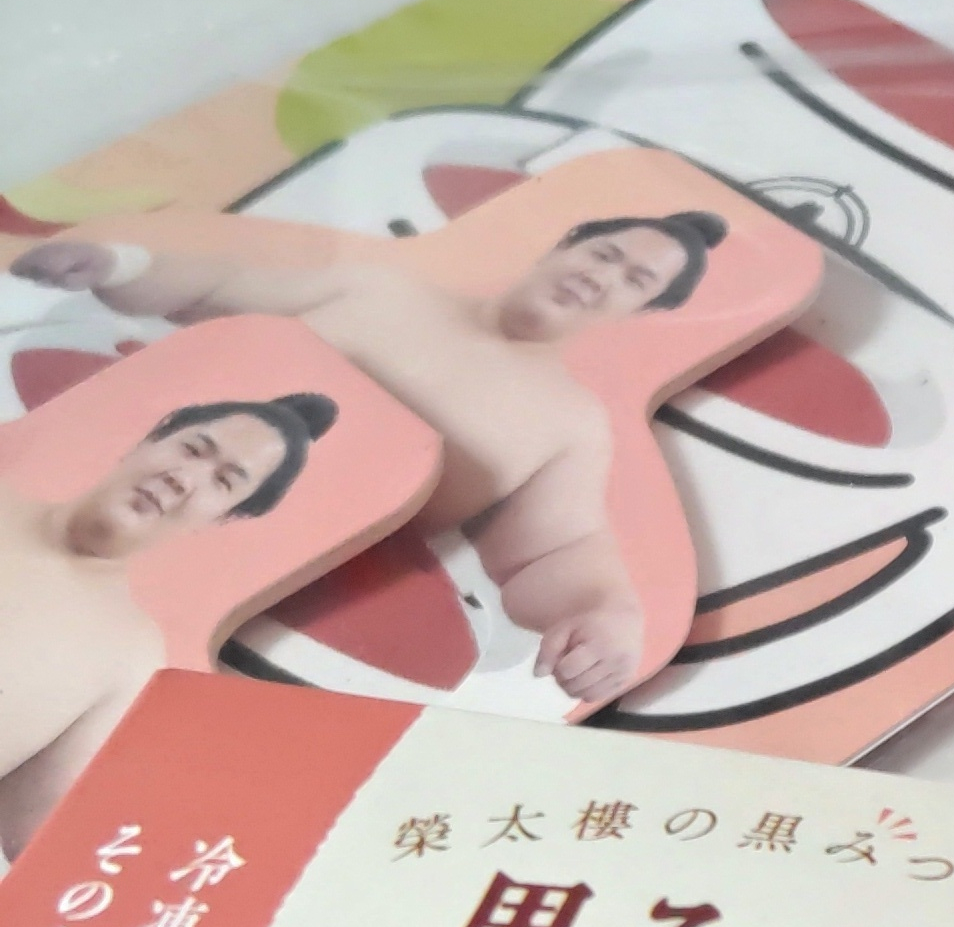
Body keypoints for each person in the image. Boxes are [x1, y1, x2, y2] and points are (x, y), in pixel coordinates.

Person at [8, 209, 728, 711]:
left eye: (635, 280)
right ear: (567, 242)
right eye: (604, 254)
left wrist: (603, 615)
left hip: (258, 619)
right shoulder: (380, 287)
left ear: (645, 311)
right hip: (81, 500)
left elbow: (555, 549)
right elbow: (214, 288)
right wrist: (120, 263)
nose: (603, 277)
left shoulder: (569, 424)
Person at [0, 392, 337, 857]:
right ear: (149, 441)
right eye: (192, 449)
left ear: (224, 517)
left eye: (223, 482)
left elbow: (39, 842)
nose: (183, 479)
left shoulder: (132, 653)